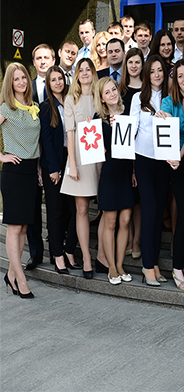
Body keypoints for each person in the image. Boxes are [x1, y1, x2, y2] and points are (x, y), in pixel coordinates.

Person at [1, 63, 41, 299]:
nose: (21, 82)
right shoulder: (6, 108)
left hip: (30, 172)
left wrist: (38, 168)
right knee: (15, 228)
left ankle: (11, 274)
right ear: (10, 83)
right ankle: (21, 279)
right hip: (14, 173)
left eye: (24, 77)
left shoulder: (33, 107)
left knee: (24, 227)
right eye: (16, 79)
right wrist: (1, 156)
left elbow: (36, 143)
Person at [130, 55, 171, 286]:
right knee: (150, 210)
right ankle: (147, 266)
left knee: (159, 212)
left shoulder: (169, 97)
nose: (156, 75)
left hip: (163, 161)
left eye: (160, 70)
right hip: (144, 159)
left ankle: (154, 263)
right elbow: (132, 130)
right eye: (152, 71)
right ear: (147, 74)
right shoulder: (138, 98)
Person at [60, 58, 101, 279]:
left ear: (93, 72)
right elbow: (70, 134)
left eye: (88, 69)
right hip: (80, 160)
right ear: (76, 74)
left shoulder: (100, 95)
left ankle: (103, 255)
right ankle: (86, 257)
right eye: (80, 70)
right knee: (82, 210)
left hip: (100, 158)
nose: (84, 73)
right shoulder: (70, 99)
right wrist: (72, 165)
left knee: (106, 210)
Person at [160, 59, 184, 291]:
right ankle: (177, 267)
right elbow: (166, 132)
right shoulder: (168, 101)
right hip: (175, 163)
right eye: (180, 75)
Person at [39, 66, 79, 275]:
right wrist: (54, 168)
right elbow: (46, 140)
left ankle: (69, 250)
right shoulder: (45, 107)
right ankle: (57, 255)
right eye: (53, 79)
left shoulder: (72, 103)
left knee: (73, 210)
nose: (58, 82)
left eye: (60, 78)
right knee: (55, 211)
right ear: (48, 83)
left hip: (71, 159)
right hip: (53, 163)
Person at [94, 78, 134, 285]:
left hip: (127, 172)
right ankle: (110, 267)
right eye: (107, 92)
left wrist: (134, 171)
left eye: (113, 89)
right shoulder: (98, 119)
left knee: (125, 220)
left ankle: (119, 265)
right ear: (101, 98)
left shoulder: (129, 113)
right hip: (109, 173)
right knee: (110, 222)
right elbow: (94, 149)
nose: (112, 94)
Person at [27, 43, 56, 269]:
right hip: (32, 155)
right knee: (33, 208)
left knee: (58, 208)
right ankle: (36, 254)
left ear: (54, 60)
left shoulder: (62, 86)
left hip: (56, 156)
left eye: (47, 57)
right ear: (34, 62)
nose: (43, 61)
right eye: (39, 58)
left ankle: (58, 251)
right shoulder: (26, 88)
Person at [119, 48, 144, 259]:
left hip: (141, 149)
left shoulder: (147, 90)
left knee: (138, 200)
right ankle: (126, 238)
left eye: (137, 62)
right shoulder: (119, 90)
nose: (134, 66)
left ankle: (136, 240)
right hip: (122, 149)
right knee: (126, 196)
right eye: (130, 62)